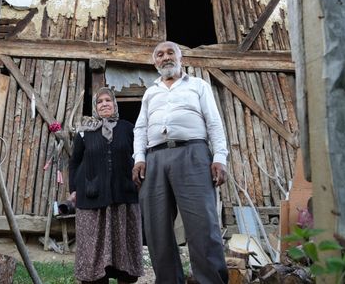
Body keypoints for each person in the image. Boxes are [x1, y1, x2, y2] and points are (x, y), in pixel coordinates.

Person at [132, 41, 229, 284]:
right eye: (160, 55)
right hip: (154, 159)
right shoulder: (150, 92)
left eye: (170, 53)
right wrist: (139, 158)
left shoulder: (198, 85)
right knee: (157, 230)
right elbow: (140, 128)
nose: (165, 57)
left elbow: (214, 123)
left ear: (180, 58)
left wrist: (219, 157)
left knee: (202, 226)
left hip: (193, 154)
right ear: (155, 62)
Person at [68, 87, 144, 284]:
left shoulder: (128, 129)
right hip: (91, 196)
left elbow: (139, 156)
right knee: (93, 244)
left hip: (123, 196)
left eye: (108, 100)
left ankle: (124, 276)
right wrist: (73, 189)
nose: (104, 104)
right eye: (100, 101)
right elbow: (74, 162)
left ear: (114, 104)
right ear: (95, 107)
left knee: (123, 244)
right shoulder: (85, 132)